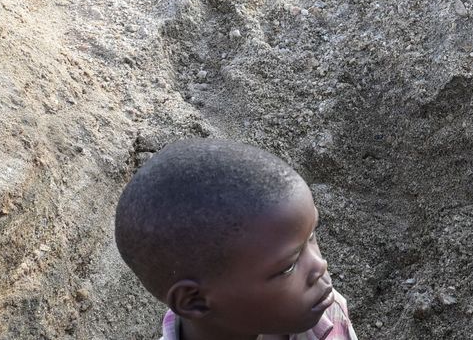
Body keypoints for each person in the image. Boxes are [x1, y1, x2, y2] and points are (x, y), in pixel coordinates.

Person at [114, 139, 356, 340]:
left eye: (311, 236)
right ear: (194, 300)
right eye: (288, 267)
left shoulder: (325, 313)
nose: (319, 266)